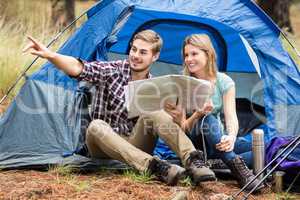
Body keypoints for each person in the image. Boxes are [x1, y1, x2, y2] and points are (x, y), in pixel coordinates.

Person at [23, 30, 216, 186]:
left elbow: (167, 126)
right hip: (103, 144)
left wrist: (173, 116)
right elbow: (78, 68)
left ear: (155, 56)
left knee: (155, 112)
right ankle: (155, 167)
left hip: (135, 143)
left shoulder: (156, 86)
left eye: (143, 52)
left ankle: (193, 161)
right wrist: (50, 55)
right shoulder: (112, 70)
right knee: (96, 125)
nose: (135, 56)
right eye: (133, 49)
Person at [164, 34, 263, 191]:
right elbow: (183, 128)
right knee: (207, 119)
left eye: (194, 54)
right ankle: (240, 172)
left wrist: (230, 137)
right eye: (186, 55)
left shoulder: (224, 82)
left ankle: (215, 163)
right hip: (194, 144)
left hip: (216, 142)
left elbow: (231, 117)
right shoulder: (183, 82)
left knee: (260, 152)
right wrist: (198, 113)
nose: (189, 59)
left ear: (208, 54)